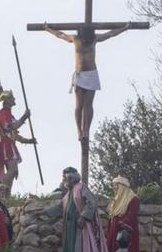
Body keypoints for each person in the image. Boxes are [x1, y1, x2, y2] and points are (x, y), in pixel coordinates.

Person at [42, 23, 129, 155]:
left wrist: (124, 28)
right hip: (80, 75)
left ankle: (86, 130)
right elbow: (60, 35)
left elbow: (110, 34)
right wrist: (47, 29)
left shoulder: (94, 39)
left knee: (88, 104)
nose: (87, 42)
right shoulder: (75, 39)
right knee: (79, 105)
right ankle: (79, 131)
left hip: (91, 74)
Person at [0, 80, 35, 197]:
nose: (14, 99)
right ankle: (1, 194)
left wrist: (29, 141)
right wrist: (24, 117)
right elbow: (10, 127)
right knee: (12, 170)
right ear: (7, 100)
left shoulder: (8, 113)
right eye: (12, 97)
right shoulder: (4, 113)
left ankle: (6, 195)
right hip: (6, 146)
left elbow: (14, 135)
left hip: (9, 145)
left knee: (13, 171)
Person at [46, 167, 108, 252]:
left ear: (71, 178)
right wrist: (45, 212)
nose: (63, 180)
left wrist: (83, 217)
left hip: (80, 225)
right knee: (70, 246)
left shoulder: (81, 187)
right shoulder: (68, 194)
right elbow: (60, 208)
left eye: (65, 178)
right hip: (70, 226)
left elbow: (91, 203)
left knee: (81, 247)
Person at [106, 175, 140, 252]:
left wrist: (120, 223)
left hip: (124, 232)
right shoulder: (117, 199)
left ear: (122, 186)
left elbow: (132, 216)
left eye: (116, 185)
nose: (114, 188)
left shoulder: (133, 199)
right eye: (114, 185)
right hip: (114, 230)